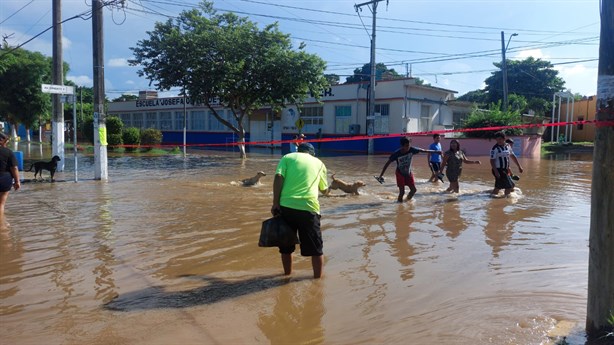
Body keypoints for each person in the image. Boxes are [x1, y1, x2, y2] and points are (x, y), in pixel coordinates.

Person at [271, 142, 328, 278]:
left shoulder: (287, 157)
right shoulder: (319, 163)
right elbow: (324, 190)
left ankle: (287, 276)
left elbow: (278, 177)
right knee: (316, 249)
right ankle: (317, 282)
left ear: (299, 150)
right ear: (312, 153)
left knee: (286, 247)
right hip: (308, 208)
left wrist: (275, 203)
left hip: (286, 207)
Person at [377, 137, 442, 203]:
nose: (408, 147)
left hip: (408, 173)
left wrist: (436, 152)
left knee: (413, 190)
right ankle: (399, 204)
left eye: (409, 145)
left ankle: (406, 200)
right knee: (402, 192)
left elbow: (423, 150)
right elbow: (387, 164)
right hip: (400, 173)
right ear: (402, 146)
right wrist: (381, 175)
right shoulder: (396, 154)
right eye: (406, 146)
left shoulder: (412, 149)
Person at [490, 131, 523, 196]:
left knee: (500, 187)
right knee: (509, 187)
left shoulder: (507, 146)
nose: (498, 141)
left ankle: (492, 198)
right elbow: (492, 161)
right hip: (498, 169)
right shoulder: (495, 148)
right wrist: (496, 172)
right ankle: (506, 201)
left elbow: (512, 156)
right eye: (497, 139)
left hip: (505, 169)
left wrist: (519, 166)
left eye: (500, 139)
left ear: (504, 138)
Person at [0, 133, 20, 229]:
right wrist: (17, 181)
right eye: (7, 141)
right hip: (5, 179)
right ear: (2, 141)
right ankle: (2, 225)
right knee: (1, 204)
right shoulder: (8, 152)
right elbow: (14, 168)